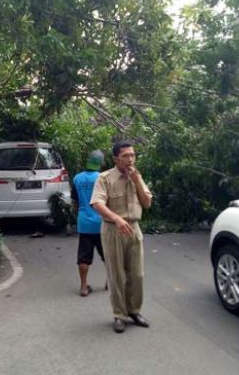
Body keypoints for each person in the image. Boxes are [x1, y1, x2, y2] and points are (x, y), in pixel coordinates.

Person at [90, 140, 153, 333]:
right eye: (126, 156)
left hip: (133, 228)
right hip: (113, 229)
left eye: (133, 155)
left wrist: (137, 182)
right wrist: (116, 219)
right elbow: (97, 203)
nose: (130, 159)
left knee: (137, 274)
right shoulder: (105, 178)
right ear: (116, 158)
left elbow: (147, 203)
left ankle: (134, 311)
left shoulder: (137, 176)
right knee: (116, 274)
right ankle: (119, 315)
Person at [71, 150, 106, 297]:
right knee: (108, 255)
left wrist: (78, 214)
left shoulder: (77, 178)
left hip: (84, 223)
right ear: (100, 163)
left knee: (84, 257)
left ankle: (84, 287)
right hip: (102, 222)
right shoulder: (102, 178)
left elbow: (75, 201)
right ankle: (110, 281)